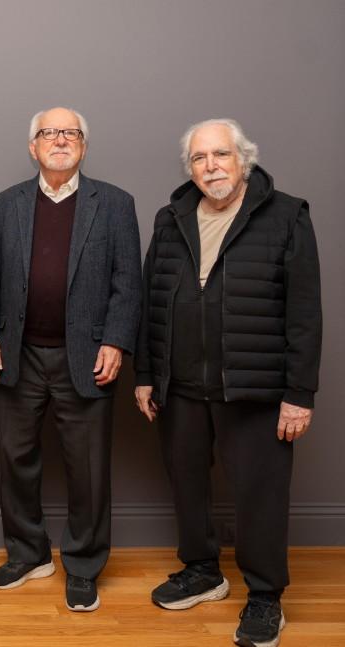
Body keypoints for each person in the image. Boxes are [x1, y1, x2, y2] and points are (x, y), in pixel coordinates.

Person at [134, 118, 321, 647]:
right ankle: (202, 571)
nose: (210, 166)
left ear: (244, 159)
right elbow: (151, 302)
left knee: (260, 495)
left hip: (256, 388)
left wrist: (298, 394)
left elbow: (305, 313)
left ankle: (265, 597)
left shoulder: (286, 215)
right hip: (182, 386)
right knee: (187, 485)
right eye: (199, 158)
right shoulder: (170, 219)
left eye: (220, 155)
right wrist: (146, 375)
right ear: (189, 168)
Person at [0, 107, 142, 612]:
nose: (60, 140)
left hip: (86, 358)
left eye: (71, 133)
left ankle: (84, 565)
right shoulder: (7, 204)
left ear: (84, 146)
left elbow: (128, 283)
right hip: (17, 355)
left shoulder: (113, 204)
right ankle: (28, 555)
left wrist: (115, 341)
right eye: (50, 132)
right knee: (15, 461)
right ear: (33, 147)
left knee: (87, 468)